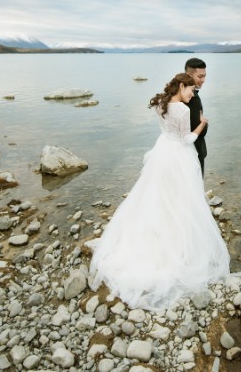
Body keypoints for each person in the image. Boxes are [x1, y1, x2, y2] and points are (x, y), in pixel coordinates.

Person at [88, 73, 230, 310]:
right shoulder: (183, 111)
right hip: (178, 156)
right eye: (191, 90)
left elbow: (170, 132)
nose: (193, 94)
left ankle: (157, 231)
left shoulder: (160, 105)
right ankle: (180, 244)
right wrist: (202, 124)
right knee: (181, 198)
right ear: (182, 86)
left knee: (157, 195)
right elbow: (186, 140)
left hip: (162, 150)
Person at [184, 58, 208, 175]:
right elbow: (197, 130)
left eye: (204, 76)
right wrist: (204, 123)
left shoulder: (180, 94)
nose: (203, 80)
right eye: (200, 76)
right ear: (189, 75)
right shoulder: (192, 98)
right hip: (194, 151)